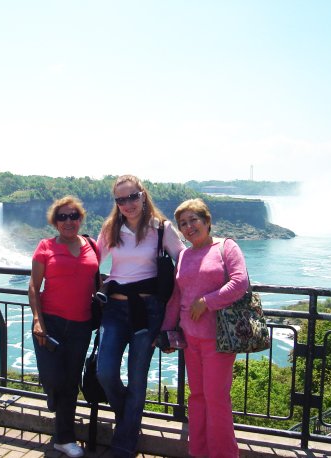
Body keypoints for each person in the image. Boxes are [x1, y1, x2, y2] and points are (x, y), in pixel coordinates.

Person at [95, 175, 185, 458]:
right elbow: (91, 261)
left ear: (143, 195)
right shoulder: (111, 228)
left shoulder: (162, 229)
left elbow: (184, 262)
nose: (128, 204)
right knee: (105, 371)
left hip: (148, 311)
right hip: (115, 309)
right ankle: (129, 422)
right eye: (121, 199)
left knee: (137, 378)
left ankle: (123, 446)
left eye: (132, 197)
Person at [161, 198, 249, 458]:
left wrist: (207, 302)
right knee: (197, 398)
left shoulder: (227, 247)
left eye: (193, 220)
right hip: (191, 338)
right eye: (183, 224)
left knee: (216, 400)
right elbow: (177, 296)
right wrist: (167, 332)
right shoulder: (185, 255)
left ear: (207, 221)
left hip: (218, 338)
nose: (189, 227)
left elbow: (240, 282)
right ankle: (198, 452)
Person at [28, 196, 99, 458]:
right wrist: (38, 320)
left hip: (81, 325)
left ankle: (63, 439)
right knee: (54, 378)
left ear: (80, 219)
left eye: (73, 216)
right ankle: (54, 397)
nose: (68, 221)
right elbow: (34, 286)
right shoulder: (45, 247)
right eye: (62, 217)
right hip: (50, 323)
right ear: (55, 222)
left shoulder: (92, 246)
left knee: (70, 382)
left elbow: (96, 282)